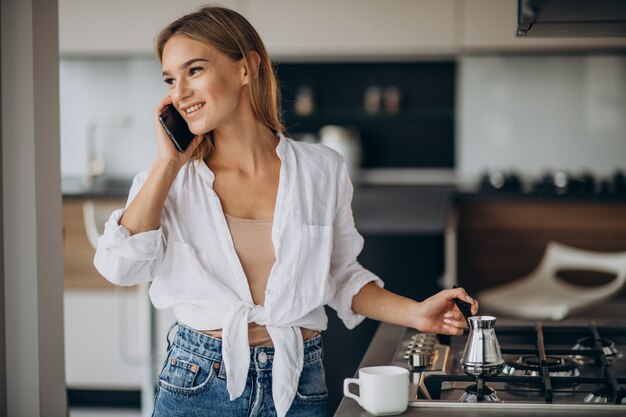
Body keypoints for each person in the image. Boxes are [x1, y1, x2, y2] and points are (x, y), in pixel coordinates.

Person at [93, 5, 478, 417]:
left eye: (195, 71)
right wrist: (168, 162)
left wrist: (416, 314)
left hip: (299, 382)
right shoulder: (172, 179)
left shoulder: (321, 170)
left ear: (247, 68)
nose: (179, 93)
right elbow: (119, 267)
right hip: (198, 379)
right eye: (171, 79)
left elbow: (342, 278)